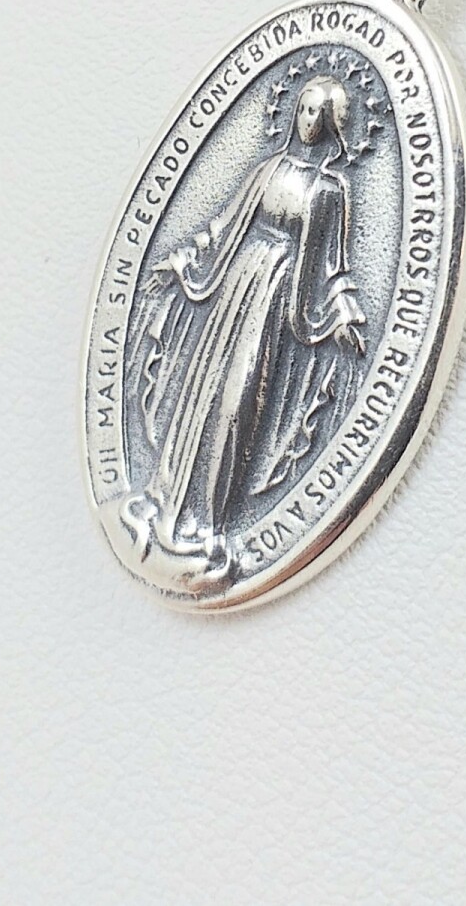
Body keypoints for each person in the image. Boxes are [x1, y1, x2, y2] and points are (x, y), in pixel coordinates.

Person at [123, 74, 366, 580]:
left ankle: (205, 524)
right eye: (303, 109)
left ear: (332, 125)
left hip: (273, 302)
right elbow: (223, 227)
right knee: (199, 390)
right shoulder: (267, 170)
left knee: (235, 404)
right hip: (232, 287)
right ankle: (165, 498)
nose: (308, 121)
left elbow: (334, 269)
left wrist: (342, 316)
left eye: (318, 114)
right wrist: (182, 261)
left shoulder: (330, 191)